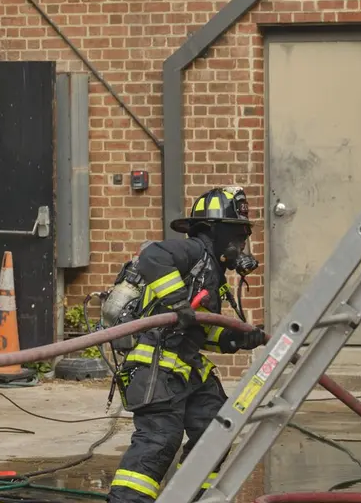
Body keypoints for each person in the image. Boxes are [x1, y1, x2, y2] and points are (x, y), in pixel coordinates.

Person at [107, 187, 266, 503]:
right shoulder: (194, 252)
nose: (242, 242)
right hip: (157, 366)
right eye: (236, 233)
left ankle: (190, 495)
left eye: (244, 234)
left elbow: (204, 330)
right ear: (214, 229)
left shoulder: (211, 275)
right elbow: (152, 256)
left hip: (188, 370)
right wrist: (178, 301)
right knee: (160, 440)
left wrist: (237, 338)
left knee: (217, 431)